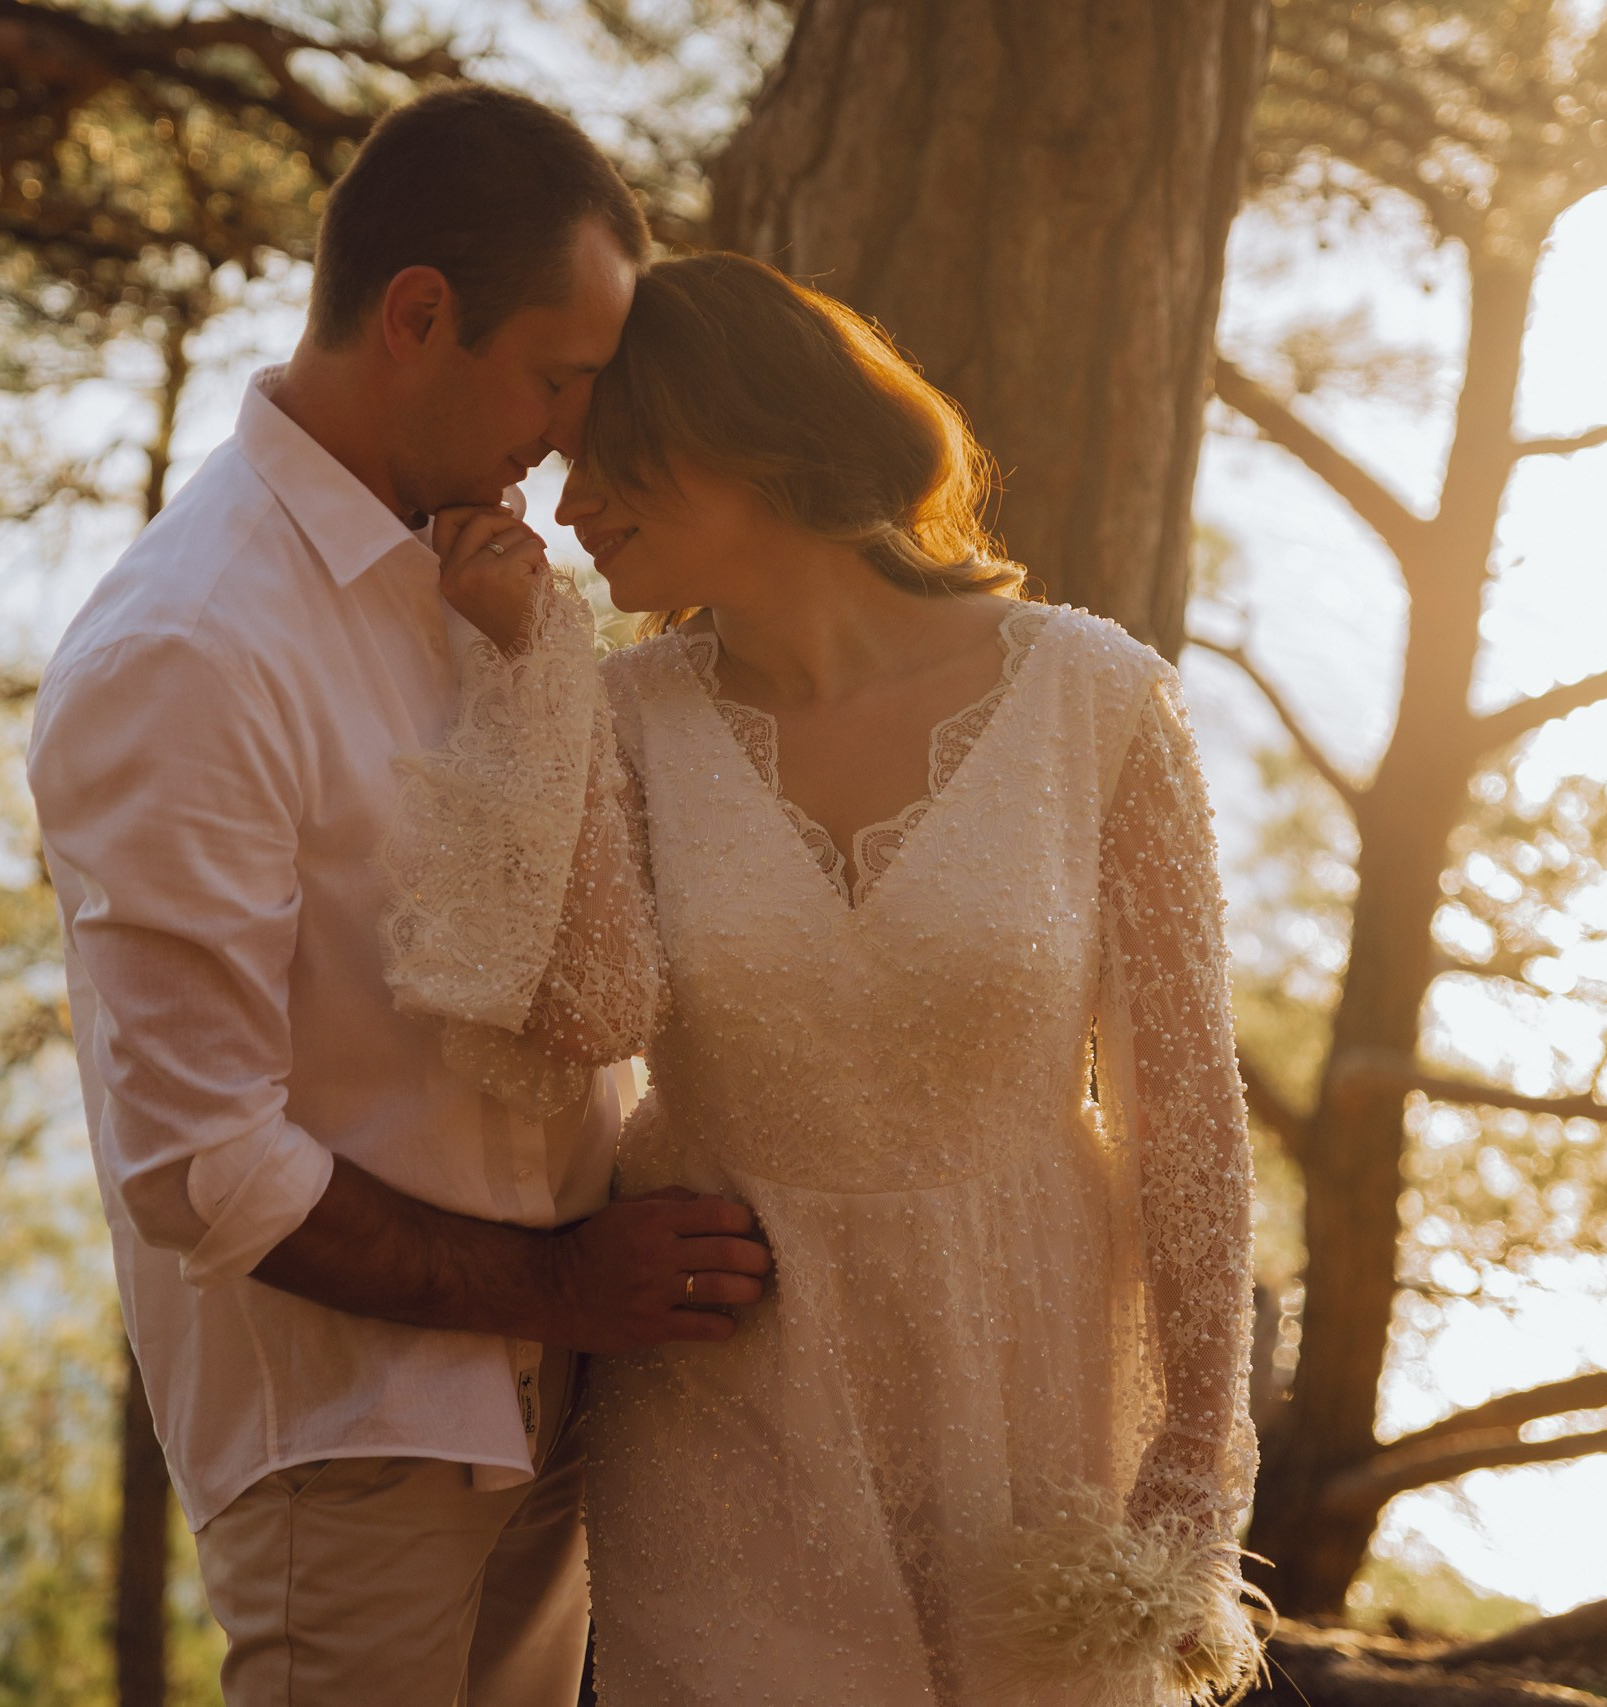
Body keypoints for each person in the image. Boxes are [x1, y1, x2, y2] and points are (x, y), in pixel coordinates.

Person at [387, 252, 1267, 1705]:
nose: (570, 508)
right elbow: (592, 1013)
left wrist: (1190, 1466)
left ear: (745, 436)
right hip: (731, 1391)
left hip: (1035, 1378)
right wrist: (526, 669)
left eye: (608, 465)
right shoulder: (612, 714)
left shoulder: (1097, 698)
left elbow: (1190, 1115)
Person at [25, 88, 772, 1707]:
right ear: (418, 316)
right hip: (356, 1456)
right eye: (559, 378)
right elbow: (206, 1168)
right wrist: (569, 1286)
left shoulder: (482, 579)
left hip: (559, 1403)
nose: (575, 434)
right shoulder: (187, 652)